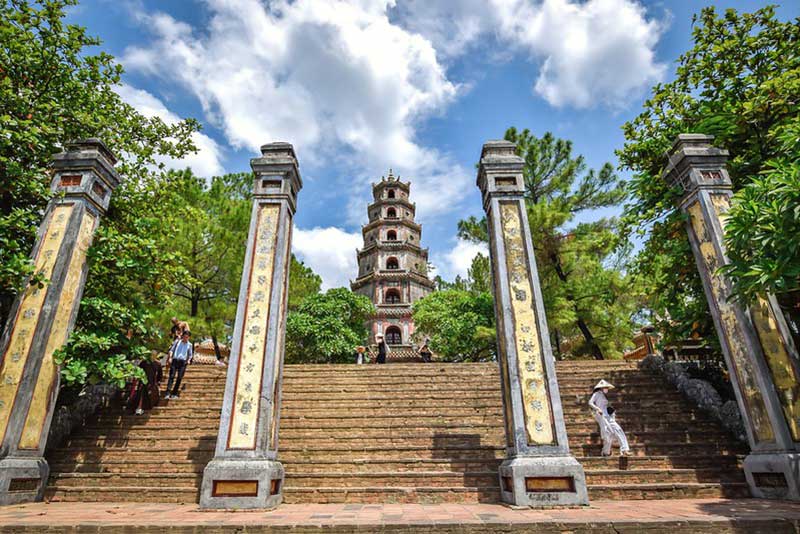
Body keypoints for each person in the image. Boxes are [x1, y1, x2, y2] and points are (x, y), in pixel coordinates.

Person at [588, 379, 630, 457]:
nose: (606, 389)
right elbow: (590, 402)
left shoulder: (604, 396)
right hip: (601, 415)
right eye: (605, 387)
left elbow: (605, 406)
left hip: (608, 415)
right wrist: (598, 409)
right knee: (607, 434)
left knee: (618, 429)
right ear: (601, 387)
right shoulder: (596, 394)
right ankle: (606, 452)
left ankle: (625, 449)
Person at [166, 330, 193, 399]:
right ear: (182, 336)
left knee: (179, 377)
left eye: (187, 337)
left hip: (183, 362)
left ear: (189, 337)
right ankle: (168, 393)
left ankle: (174, 393)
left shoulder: (189, 345)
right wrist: (170, 358)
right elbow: (171, 350)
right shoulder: (177, 342)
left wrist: (189, 360)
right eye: (184, 337)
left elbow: (190, 354)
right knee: (171, 376)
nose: (185, 338)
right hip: (175, 360)